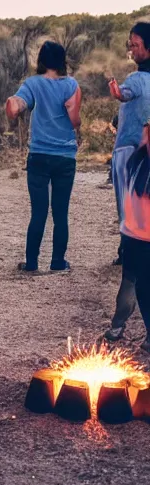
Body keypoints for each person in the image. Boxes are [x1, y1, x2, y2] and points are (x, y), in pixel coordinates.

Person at [6, 41, 82, 273]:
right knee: (60, 212)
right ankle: (58, 262)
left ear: (41, 60)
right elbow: (75, 121)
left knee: (38, 211)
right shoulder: (72, 85)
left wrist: (13, 105)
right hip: (65, 157)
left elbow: (18, 104)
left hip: (39, 155)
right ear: (62, 61)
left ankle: (31, 263)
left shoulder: (32, 84)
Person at [104, 22, 150, 342]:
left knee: (135, 266)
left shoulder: (136, 79)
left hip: (133, 167)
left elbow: (127, 92)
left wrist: (118, 93)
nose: (131, 49)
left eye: (135, 45)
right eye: (129, 44)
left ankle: (119, 326)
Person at [114, 122, 150, 353]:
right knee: (139, 287)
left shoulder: (135, 161)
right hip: (137, 237)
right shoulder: (136, 162)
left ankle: (118, 326)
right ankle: (120, 325)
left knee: (138, 285)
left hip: (135, 235)